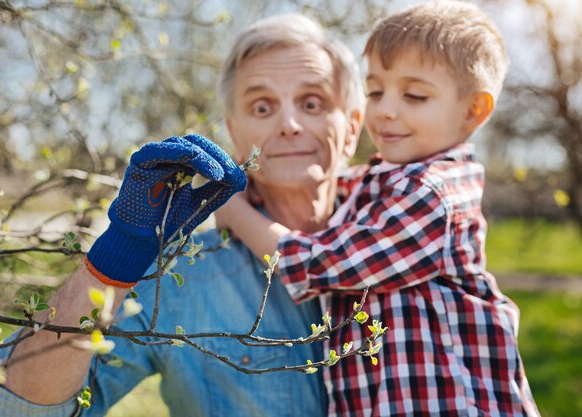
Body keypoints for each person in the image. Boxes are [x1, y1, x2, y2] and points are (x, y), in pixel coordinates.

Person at [0, 13, 365, 417]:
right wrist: (118, 256)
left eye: (312, 103)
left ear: (353, 127)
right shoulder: (180, 275)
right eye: (263, 106)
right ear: (235, 134)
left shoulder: (414, 243)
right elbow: (18, 410)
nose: (289, 125)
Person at [216, 2, 542, 416]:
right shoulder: (383, 183)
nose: (386, 110)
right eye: (375, 91)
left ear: (472, 110)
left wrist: (237, 213)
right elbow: (336, 187)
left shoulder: (433, 194)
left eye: (414, 95)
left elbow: (323, 264)